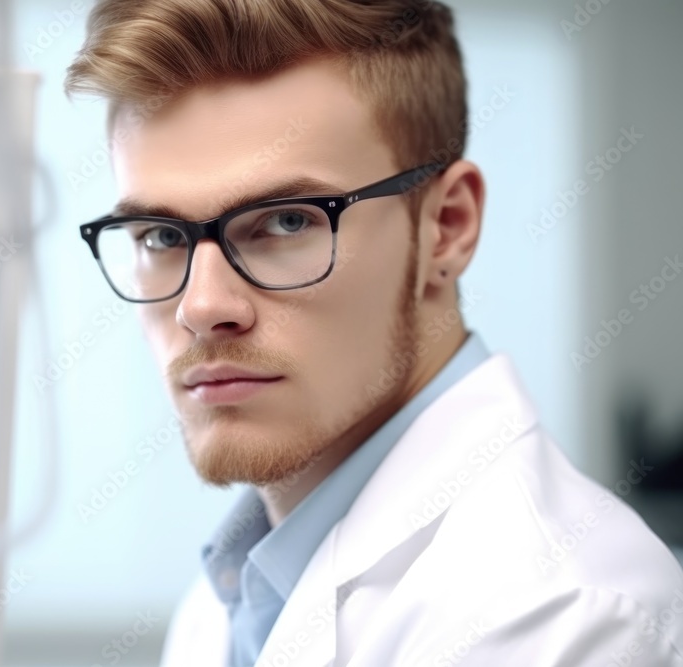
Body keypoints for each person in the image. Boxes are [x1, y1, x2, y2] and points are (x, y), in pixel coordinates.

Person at [65, 1, 683, 665]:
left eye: (287, 222)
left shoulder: (560, 614)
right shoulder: (231, 596)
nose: (203, 305)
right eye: (161, 235)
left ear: (446, 226)